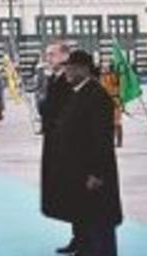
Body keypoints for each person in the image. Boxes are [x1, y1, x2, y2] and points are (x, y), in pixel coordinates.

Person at [56, 50, 123, 256]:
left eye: (72, 67)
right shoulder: (80, 92)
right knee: (87, 223)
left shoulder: (97, 96)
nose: (67, 71)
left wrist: (96, 173)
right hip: (80, 171)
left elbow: (102, 140)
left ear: (84, 69)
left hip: (94, 175)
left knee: (100, 226)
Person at [39, 41, 80, 255]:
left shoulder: (72, 78)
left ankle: (84, 238)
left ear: (65, 55)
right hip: (55, 140)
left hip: (68, 143)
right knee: (68, 191)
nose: (48, 57)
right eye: (47, 54)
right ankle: (78, 237)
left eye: (51, 54)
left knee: (77, 191)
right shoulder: (54, 76)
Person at [99, 62, 124, 148]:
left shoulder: (114, 76)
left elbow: (118, 82)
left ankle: (119, 141)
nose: (104, 69)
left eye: (106, 68)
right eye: (103, 68)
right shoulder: (101, 77)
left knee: (116, 123)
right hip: (104, 102)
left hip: (114, 101)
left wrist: (117, 73)